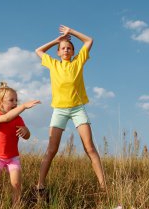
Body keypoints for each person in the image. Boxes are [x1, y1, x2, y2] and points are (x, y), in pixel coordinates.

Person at [35, 25, 106, 193]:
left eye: (69, 48)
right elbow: (38, 50)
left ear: (73, 52)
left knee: (89, 148)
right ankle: (39, 185)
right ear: (58, 52)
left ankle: (104, 187)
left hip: (77, 109)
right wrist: (57, 41)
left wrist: (71, 32)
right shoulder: (53, 64)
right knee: (52, 150)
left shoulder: (78, 62)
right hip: (59, 110)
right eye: (63, 48)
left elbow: (89, 41)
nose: (66, 50)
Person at [0, 82, 40, 209]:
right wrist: (23, 106)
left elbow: (27, 136)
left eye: (16, 100)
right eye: (11, 100)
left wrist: (26, 131)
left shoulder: (18, 119)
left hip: (13, 157)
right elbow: (5, 118)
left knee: (16, 184)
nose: (15, 103)